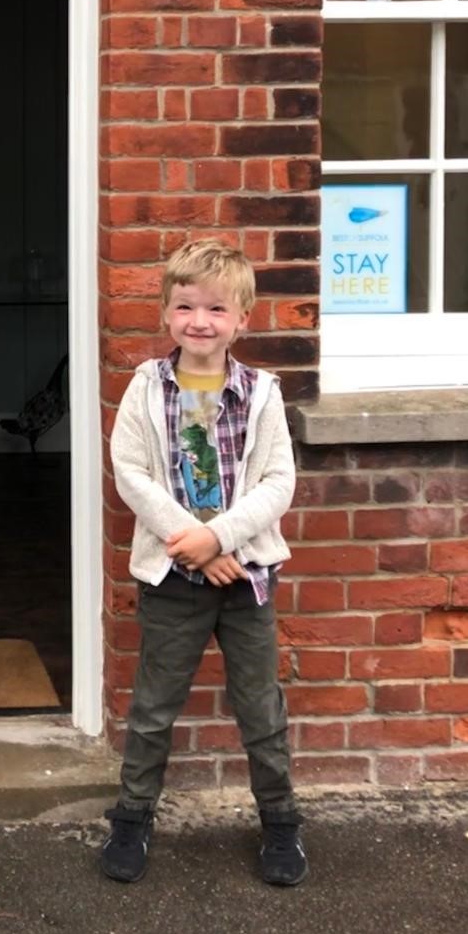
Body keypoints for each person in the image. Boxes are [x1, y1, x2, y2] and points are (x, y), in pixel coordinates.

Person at [100, 239, 306, 887]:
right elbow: (131, 473)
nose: (200, 321)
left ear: (242, 319)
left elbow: (278, 482)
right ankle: (132, 817)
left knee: (261, 710)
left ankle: (281, 822)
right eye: (186, 306)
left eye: (217, 309)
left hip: (245, 576)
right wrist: (190, 539)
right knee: (153, 707)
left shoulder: (262, 393)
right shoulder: (146, 388)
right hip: (173, 579)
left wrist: (218, 540)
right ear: (166, 312)